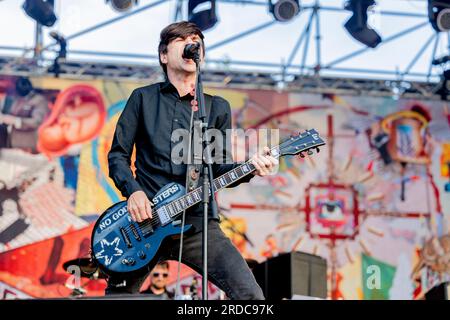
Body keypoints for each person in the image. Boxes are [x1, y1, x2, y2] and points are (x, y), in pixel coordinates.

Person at [106, 21, 278, 300]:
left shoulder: (216, 107)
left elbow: (219, 167)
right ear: (164, 55)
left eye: (196, 39)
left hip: (198, 222)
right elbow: (118, 155)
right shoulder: (143, 99)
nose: (192, 42)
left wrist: (252, 167)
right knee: (118, 297)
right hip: (146, 222)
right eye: (182, 39)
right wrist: (134, 192)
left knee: (251, 297)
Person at [0, 77, 50, 153]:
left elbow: (37, 122)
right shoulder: (14, 98)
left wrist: (16, 121)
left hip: (29, 144)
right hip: (13, 142)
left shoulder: (39, 100)